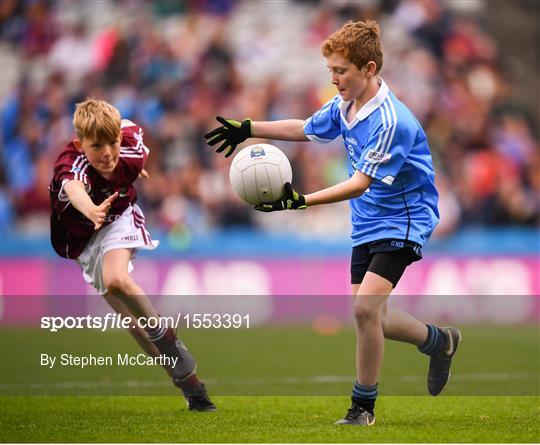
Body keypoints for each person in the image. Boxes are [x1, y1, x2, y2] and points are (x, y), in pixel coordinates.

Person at [205, 20, 461, 426]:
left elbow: (360, 184)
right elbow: (306, 129)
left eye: (341, 71)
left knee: (364, 311)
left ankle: (363, 408)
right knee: (373, 315)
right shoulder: (345, 105)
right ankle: (438, 341)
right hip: (367, 222)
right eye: (331, 71)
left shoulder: (391, 121)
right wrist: (249, 129)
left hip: (404, 219)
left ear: (369, 69)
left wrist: (301, 201)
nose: (334, 78)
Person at [49, 99, 216, 411]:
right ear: (79, 144)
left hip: (120, 217)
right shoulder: (70, 163)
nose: (108, 153)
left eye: (112, 143)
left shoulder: (131, 143)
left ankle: (166, 336)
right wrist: (90, 209)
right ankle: (190, 386)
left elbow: (127, 134)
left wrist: (135, 167)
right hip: (84, 239)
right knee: (132, 324)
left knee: (116, 279)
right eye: (96, 146)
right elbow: (74, 189)